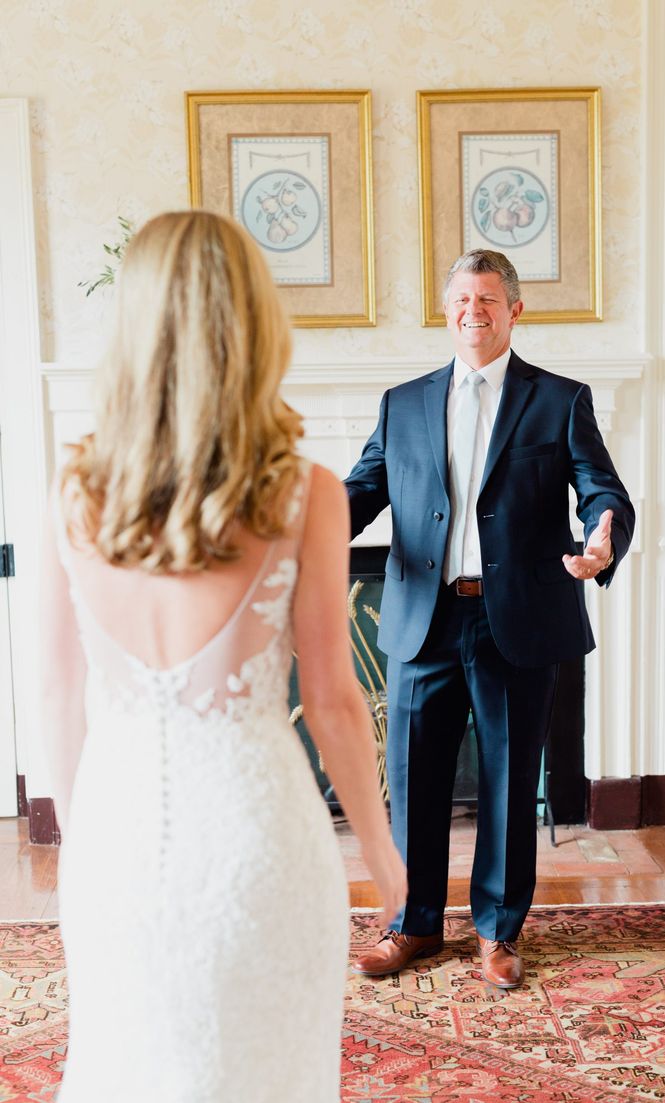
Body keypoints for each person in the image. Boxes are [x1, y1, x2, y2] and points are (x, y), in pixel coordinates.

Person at [40, 210, 406, 1103]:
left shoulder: (68, 492)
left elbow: (56, 696)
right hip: (260, 844)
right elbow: (334, 702)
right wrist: (383, 851)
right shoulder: (305, 494)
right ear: (254, 322)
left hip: (116, 837)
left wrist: (86, 849)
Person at [345, 249, 634, 989]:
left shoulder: (558, 400)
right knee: (411, 782)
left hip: (516, 620)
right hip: (424, 618)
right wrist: (293, 531)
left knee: (508, 782)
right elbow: (361, 490)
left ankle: (497, 934)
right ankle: (411, 925)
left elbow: (601, 491)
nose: (472, 312)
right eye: (460, 301)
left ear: (513, 310)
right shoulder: (402, 402)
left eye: (487, 299)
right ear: (446, 312)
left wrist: (602, 536)